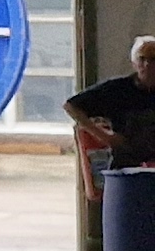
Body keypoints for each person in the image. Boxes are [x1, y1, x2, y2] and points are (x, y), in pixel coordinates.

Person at [65, 34, 155, 173]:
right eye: (142, 59)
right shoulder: (118, 89)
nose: (147, 65)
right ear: (134, 63)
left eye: (153, 59)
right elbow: (71, 106)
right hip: (125, 170)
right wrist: (104, 136)